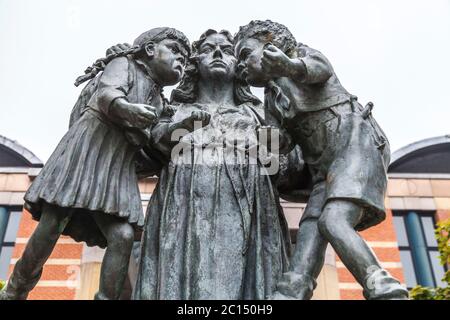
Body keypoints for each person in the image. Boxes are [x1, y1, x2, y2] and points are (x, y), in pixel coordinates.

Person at [0, 27, 205, 300]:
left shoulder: (157, 98)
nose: (181, 59)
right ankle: (14, 292)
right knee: (53, 222)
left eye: (185, 57)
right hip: (89, 150)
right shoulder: (124, 64)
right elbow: (107, 94)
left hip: (117, 167)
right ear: (150, 49)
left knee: (121, 236)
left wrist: (182, 127)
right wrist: (126, 109)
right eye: (176, 51)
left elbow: (155, 137)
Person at [234, 20, 408, 300]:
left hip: (354, 145)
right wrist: (259, 141)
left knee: (334, 220)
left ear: (270, 44)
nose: (240, 65)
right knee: (310, 228)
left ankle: (383, 286)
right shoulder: (271, 99)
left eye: (245, 54)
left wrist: (288, 66)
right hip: (323, 169)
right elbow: (281, 142)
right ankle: (291, 291)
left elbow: (319, 70)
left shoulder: (299, 55)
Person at [132, 29, 293, 300]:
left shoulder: (258, 115)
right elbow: (148, 146)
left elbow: (282, 166)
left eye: (227, 50)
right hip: (184, 213)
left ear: (240, 65)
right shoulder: (174, 111)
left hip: (251, 212)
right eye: (208, 49)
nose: (218, 53)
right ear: (194, 64)